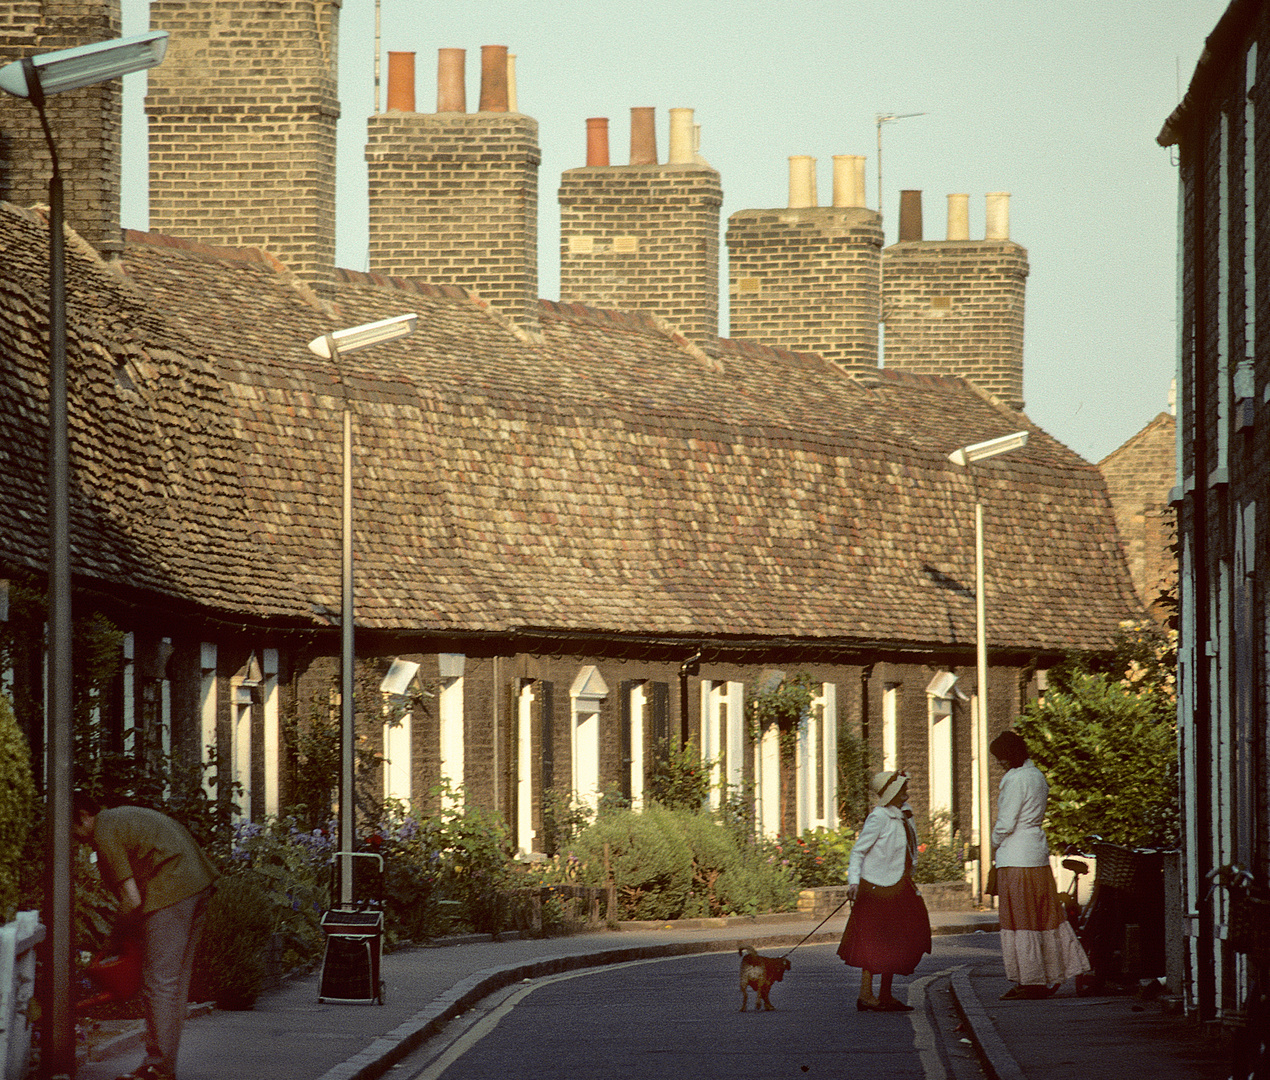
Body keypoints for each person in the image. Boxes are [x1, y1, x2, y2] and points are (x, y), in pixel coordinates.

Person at [72, 792, 220, 1080]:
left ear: (82, 816)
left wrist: (114, 937)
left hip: (172, 887)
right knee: (174, 985)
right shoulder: (120, 817)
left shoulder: (104, 831)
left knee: (160, 983)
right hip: (197, 883)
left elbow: (132, 898)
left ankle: (157, 1066)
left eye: (71, 829)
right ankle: (163, 1067)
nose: (72, 837)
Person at [989, 729, 1090, 1000]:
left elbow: (1006, 822)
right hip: (1036, 854)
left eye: (1000, 758)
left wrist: (993, 841)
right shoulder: (1037, 776)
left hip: (1015, 856)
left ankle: (1030, 979)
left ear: (1009, 756)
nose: (999, 763)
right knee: (1043, 916)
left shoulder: (1015, 780)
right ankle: (1052, 972)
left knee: (1019, 920)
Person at [837, 769, 932, 1011]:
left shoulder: (903, 815)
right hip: (876, 887)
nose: (907, 793)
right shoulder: (878, 817)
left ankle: (886, 995)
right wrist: (854, 882)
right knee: (873, 941)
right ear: (892, 793)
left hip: (899, 886)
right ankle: (866, 995)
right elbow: (858, 851)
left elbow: (910, 850)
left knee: (900, 938)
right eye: (903, 790)